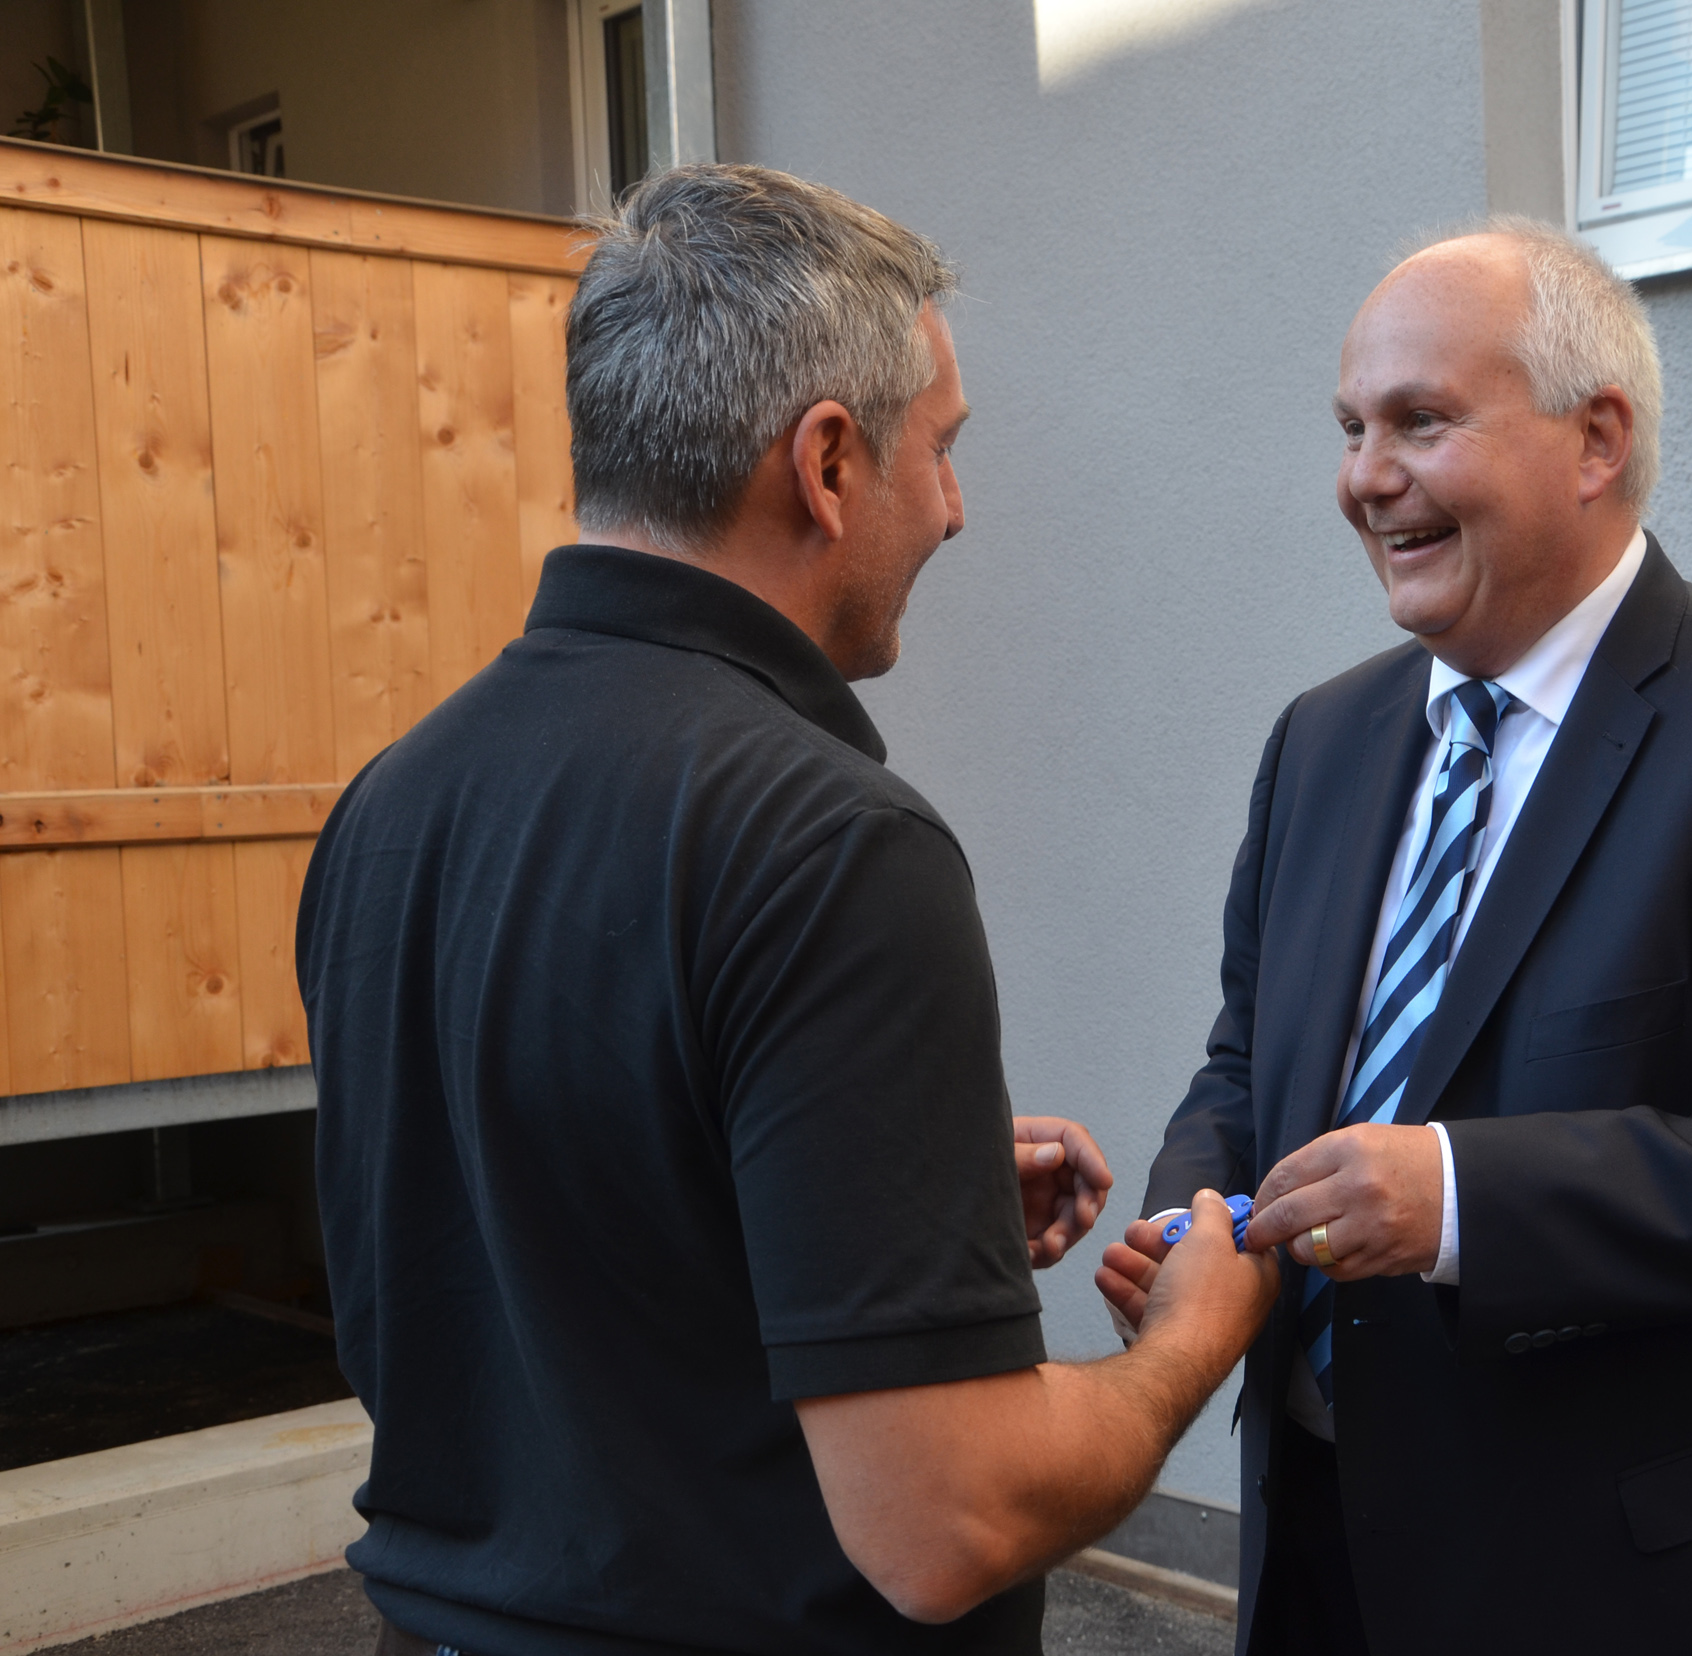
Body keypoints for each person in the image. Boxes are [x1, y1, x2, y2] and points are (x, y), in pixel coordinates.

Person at [302, 164, 1276, 1656]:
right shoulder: (833, 843)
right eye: (940, 450)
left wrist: (874, 1200)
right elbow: (946, 1526)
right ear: (826, 462)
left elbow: (533, 1230)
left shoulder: (391, 805)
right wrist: (1193, 1339)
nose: (954, 509)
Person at [1097, 219, 1692, 1653]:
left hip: (1646, 1594)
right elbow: (1249, 1060)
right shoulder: (1320, 741)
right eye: (1350, 429)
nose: (1365, 477)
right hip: (1323, 1561)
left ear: (1596, 441)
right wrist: (1195, 1214)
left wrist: (1462, 1199)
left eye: (1421, 422)